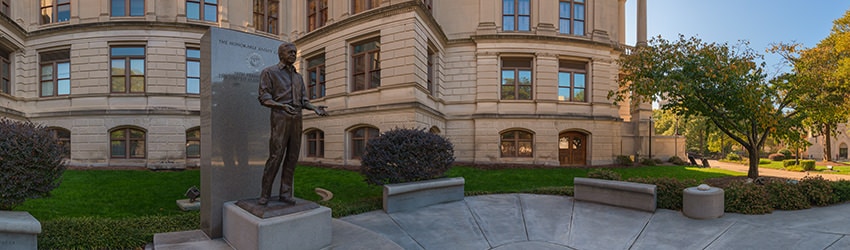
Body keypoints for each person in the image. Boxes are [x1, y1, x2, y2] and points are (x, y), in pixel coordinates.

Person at [257, 42, 328, 205]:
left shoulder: (298, 77)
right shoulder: (269, 72)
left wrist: (315, 108)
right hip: (280, 116)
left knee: (292, 156)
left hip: (297, 117)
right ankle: (265, 194)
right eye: (290, 52)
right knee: (276, 156)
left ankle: (285, 193)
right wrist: (281, 105)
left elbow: (304, 100)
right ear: (280, 54)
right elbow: (264, 97)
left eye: (295, 52)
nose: (293, 55)